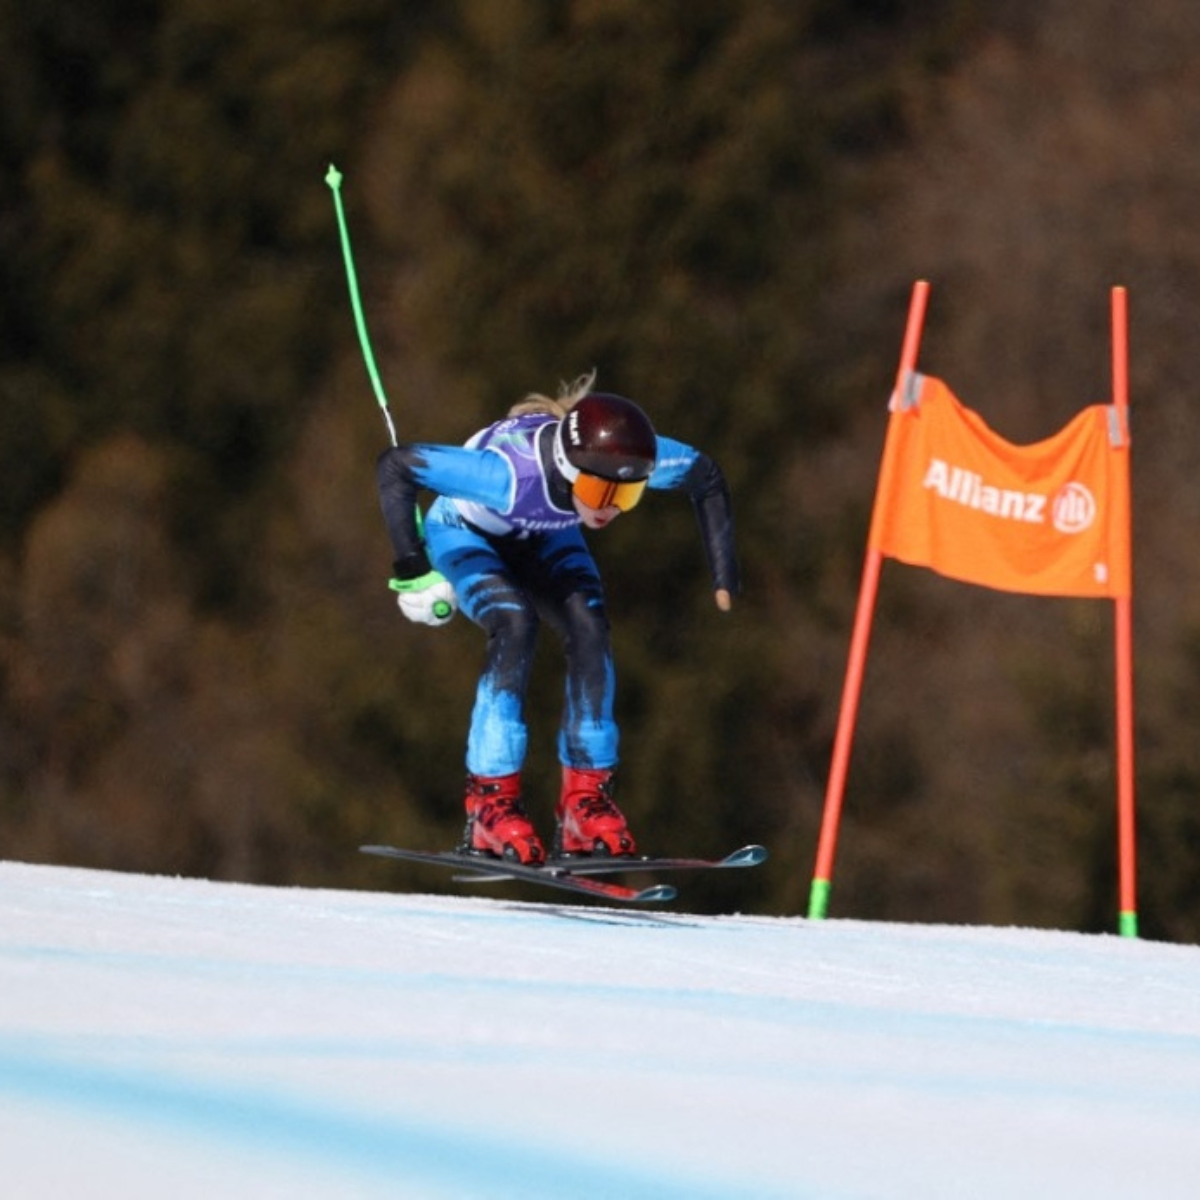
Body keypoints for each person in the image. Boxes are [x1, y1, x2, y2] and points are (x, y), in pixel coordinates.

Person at [376, 370, 739, 865]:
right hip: (468, 533)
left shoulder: (623, 460)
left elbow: (706, 476)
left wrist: (724, 575)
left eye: (626, 497)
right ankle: (490, 804)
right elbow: (397, 466)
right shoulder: (507, 476)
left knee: (591, 628)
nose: (610, 509)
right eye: (600, 494)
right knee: (514, 624)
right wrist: (412, 571)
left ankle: (584, 805)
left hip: (546, 536)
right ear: (569, 471)